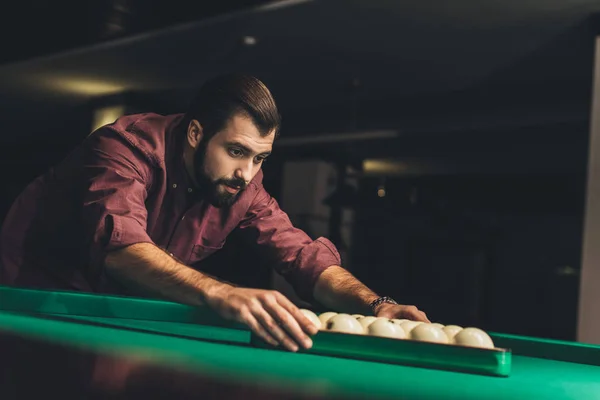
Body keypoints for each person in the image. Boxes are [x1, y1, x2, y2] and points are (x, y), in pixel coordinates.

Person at [0, 74, 429, 351]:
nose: (247, 173)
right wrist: (222, 292)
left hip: (117, 311)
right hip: (29, 302)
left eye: (260, 158)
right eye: (237, 152)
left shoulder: (243, 185)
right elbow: (123, 248)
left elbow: (300, 255)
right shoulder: (122, 148)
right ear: (195, 132)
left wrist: (375, 304)